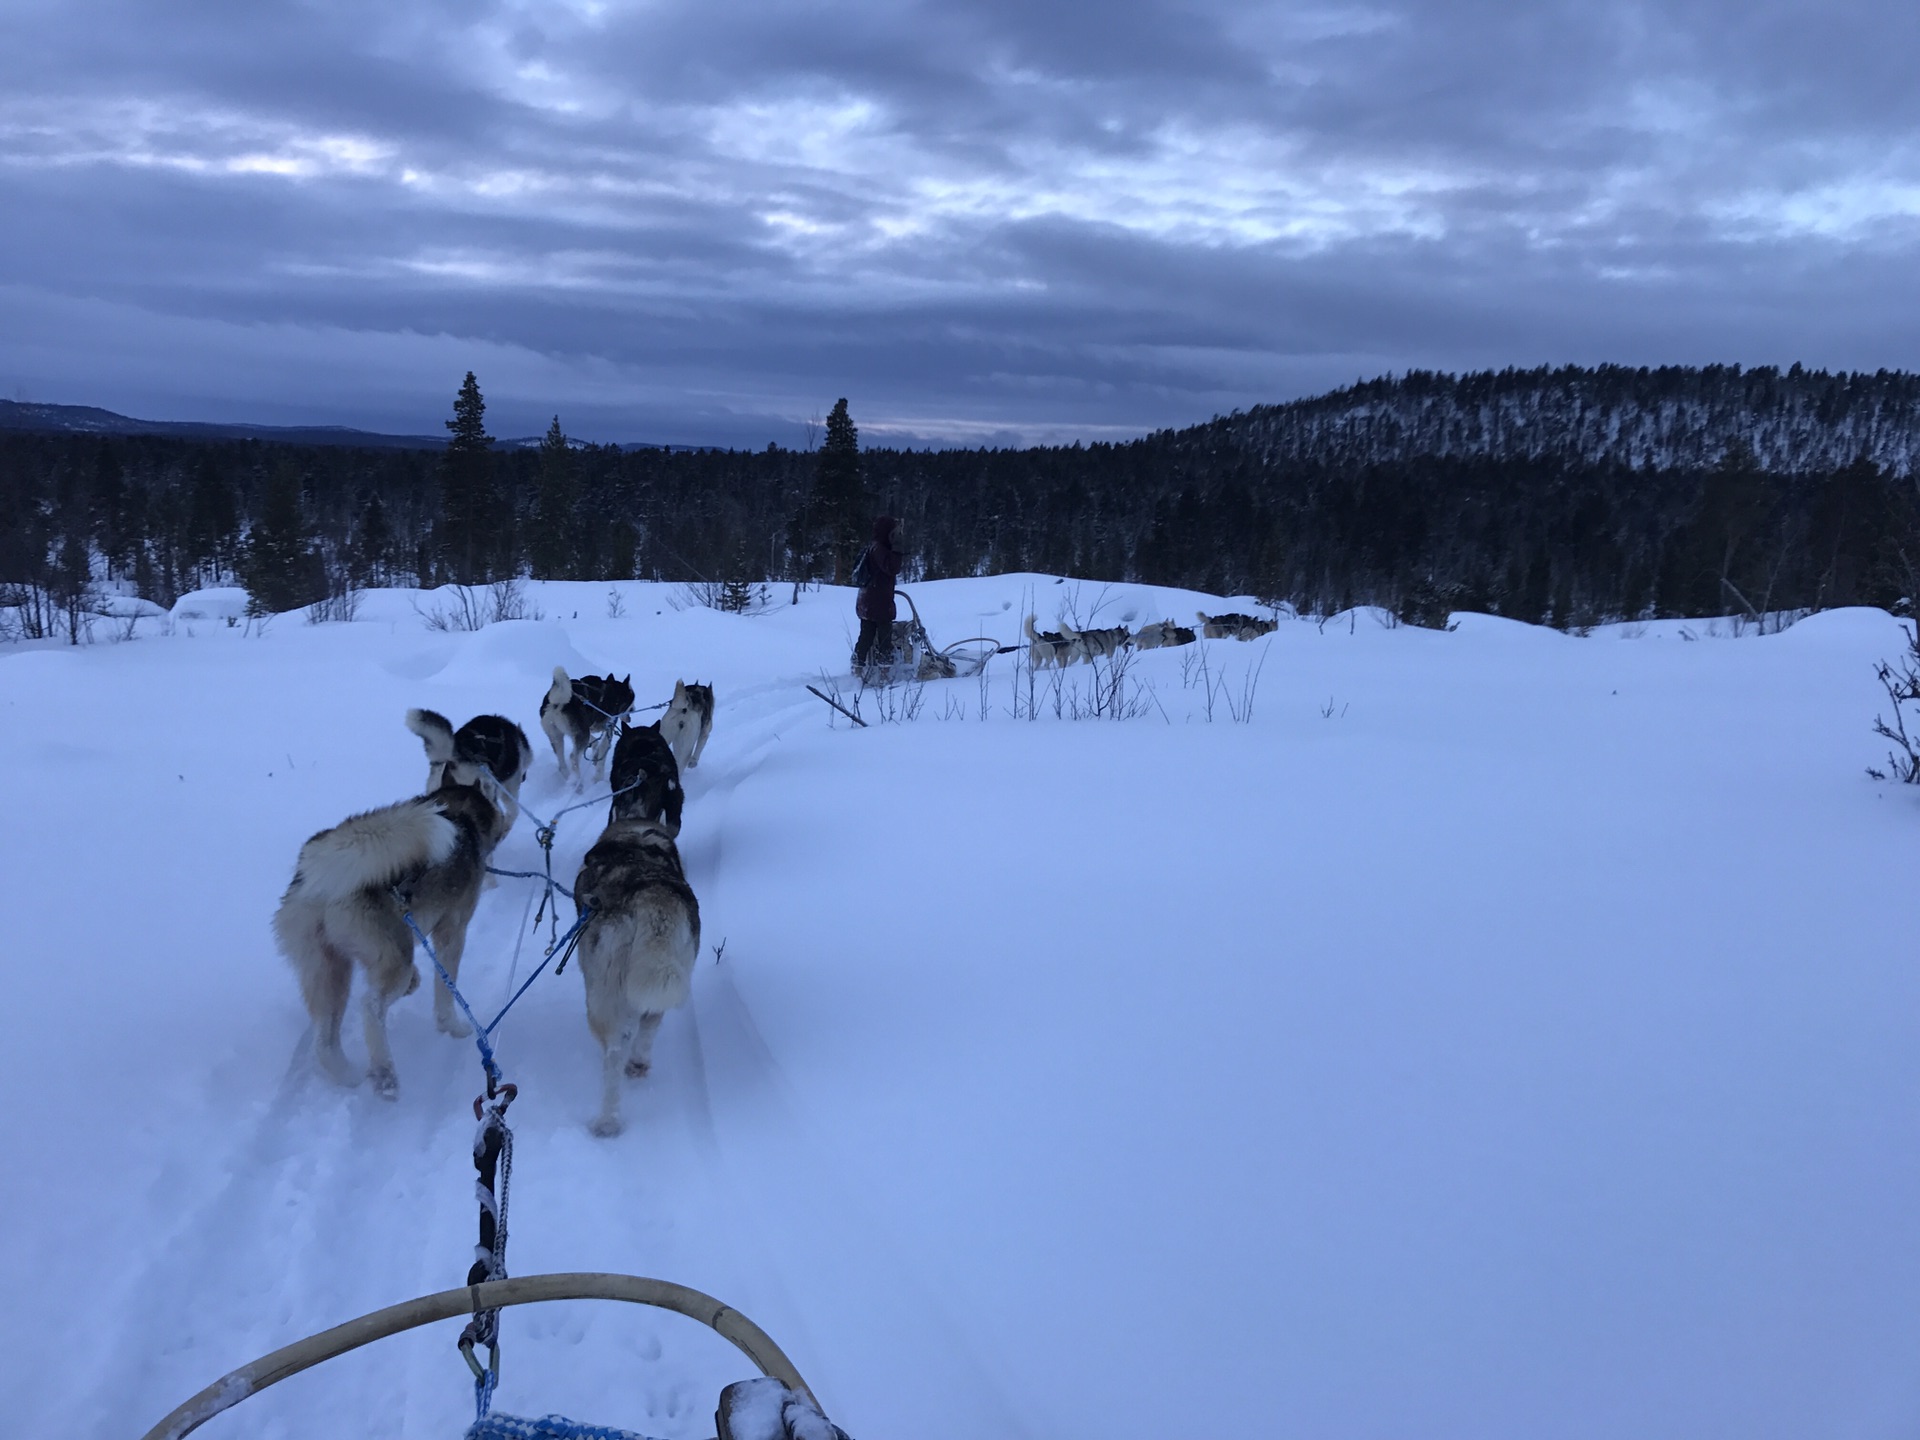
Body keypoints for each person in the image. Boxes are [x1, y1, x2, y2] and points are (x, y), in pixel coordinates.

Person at [851, 514, 903, 676]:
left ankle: (857, 670)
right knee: (884, 638)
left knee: (866, 635)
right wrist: (898, 547)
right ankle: (884, 675)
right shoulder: (880, 549)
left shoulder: (872, 546)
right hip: (879, 602)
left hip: (867, 600)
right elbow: (892, 568)